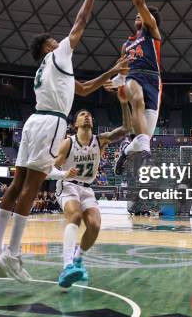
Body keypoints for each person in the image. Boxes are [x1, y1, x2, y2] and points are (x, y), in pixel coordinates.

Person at [0, 0, 119, 283]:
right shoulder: (58, 54)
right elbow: (80, 23)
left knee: (17, 185)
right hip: (52, 123)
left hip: (33, 121)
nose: (61, 41)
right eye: (54, 41)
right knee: (31, 188)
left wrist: (110, 72)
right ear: (47, 47)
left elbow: (82, 89)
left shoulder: (49, 69)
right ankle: (12, 253)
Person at [49, 88, 131, 287]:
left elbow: (127, 128)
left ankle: (78, 259)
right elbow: (48, 170)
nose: (87, 116)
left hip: (87, 188)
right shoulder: (67, 143)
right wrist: (63, 174)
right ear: (75, 123)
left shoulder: (100, 140)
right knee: (75, 217)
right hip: (67, 185)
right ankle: (67, 265)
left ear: (92, 122)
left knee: (94, 225)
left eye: (89, 115)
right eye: (82, 115)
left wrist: (122, 102)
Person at [112, 0, 162, 175]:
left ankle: (125, 151)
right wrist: (117, 82)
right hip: (135, 77)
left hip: (154, 81)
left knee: (144, 137)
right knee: (137, 98)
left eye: (141, 15)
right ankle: (140, 150)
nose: (137, 16)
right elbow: (121, 70)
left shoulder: (152, 32)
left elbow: (139, 3)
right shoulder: (126, 44)